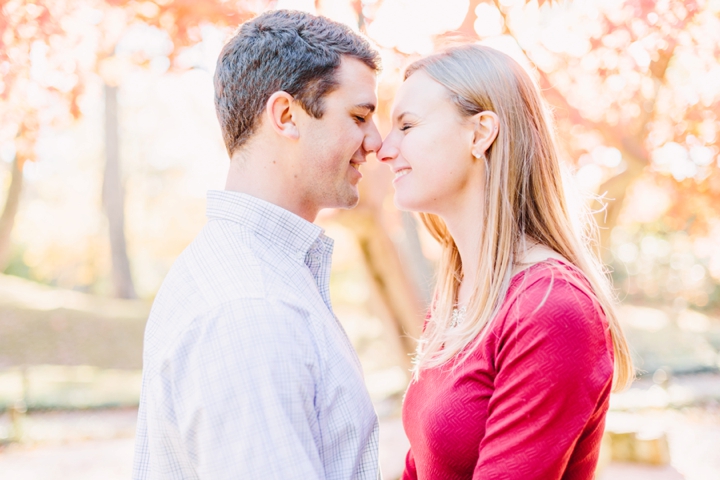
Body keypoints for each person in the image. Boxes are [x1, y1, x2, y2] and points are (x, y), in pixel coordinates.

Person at [133, 10, 383, 479]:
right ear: (286, 116)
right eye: (359, 116)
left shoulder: (250, 275)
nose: (376, 141)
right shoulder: (252, 308)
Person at [377, 44, 634, 479]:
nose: (384, 150)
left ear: (480, 134)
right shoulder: (458, 296)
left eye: (407, 125)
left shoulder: (551, 309)